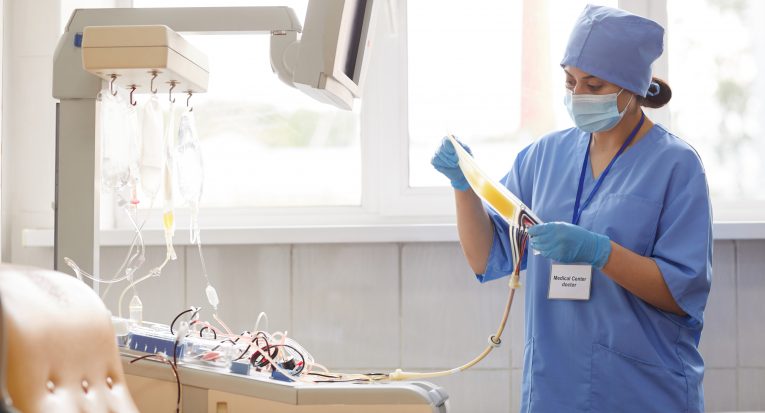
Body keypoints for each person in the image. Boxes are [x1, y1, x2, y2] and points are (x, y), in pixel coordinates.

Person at [431, 5, 712, 413]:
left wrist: (601, 252)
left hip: (642, 392)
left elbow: (681, 292)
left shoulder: (676, 165)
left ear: (631, 88)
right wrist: (464, 186)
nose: (578, 96)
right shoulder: (544, 157)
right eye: (570, 82)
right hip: (554, 391)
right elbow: (487, 255)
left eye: (594, 86)